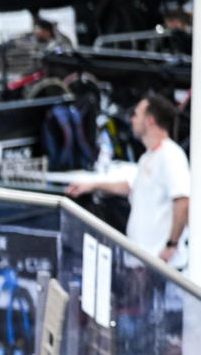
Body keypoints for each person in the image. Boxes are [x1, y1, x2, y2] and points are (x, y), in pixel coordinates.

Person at [68, 93, 188, 269]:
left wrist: (171, 245)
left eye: (137, 114)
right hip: (144, 260)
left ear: (150, 121)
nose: (131, 119)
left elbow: (183, 201)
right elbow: (132, 186)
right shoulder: (148, 157)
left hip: (162, 264)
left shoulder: (170, 155)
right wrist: (92, 185)